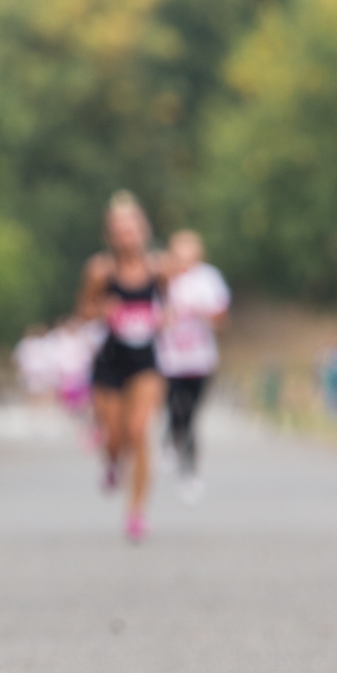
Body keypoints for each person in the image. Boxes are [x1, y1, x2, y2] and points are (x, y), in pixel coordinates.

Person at [77, 191, 165, 543]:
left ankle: (136, 513)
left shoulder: (159, 268)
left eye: (133, 226)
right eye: (119, 228)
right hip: (110, 361)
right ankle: (112, 461)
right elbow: (83, 311)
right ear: (110, 235)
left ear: (144, 230)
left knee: (139, 432)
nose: (127, 234)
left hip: (146, 361)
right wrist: (102, 311)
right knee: (115, 437)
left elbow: (172, 305)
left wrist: (166, 316)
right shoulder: (100, 271)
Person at [155, 230, 229, 505]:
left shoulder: (209, 278)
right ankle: (174, 449)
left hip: (200, 358)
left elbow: (222, 317)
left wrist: (204, 312)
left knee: (192, 415)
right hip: (169, 358)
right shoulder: (163, 278)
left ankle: (188, 469)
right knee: (175, 407)